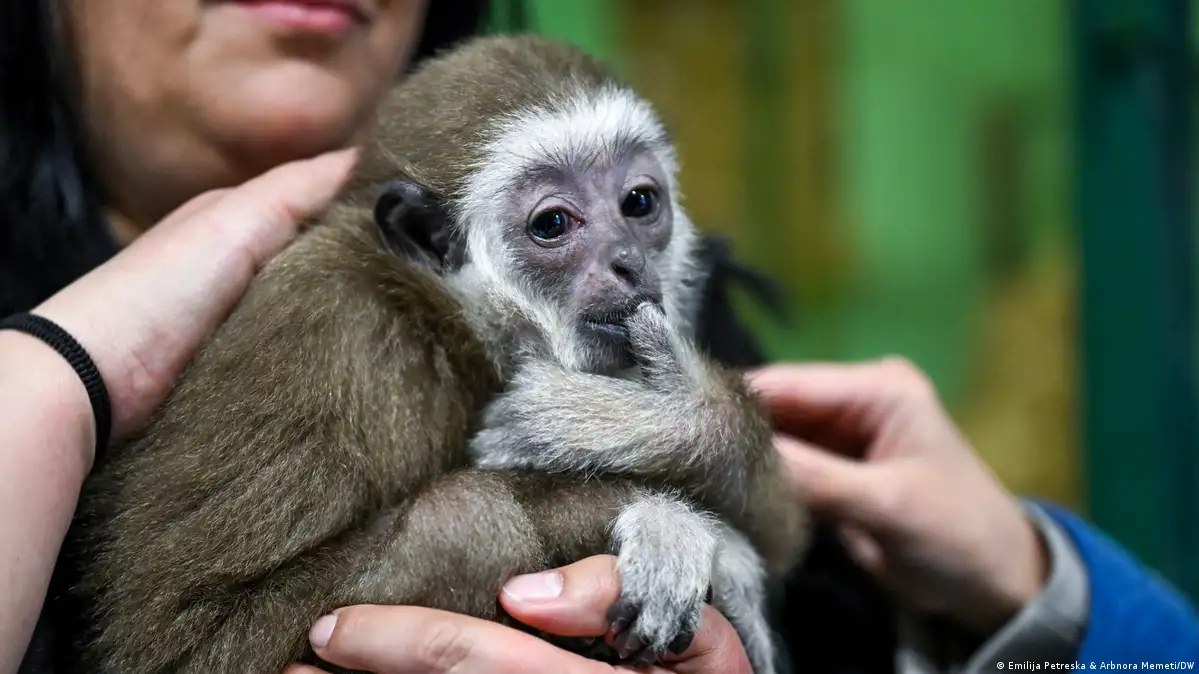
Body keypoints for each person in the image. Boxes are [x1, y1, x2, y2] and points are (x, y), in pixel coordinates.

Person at [1, 1, 1195, 673]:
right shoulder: (347, 320)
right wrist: (54, 379)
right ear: (429, 238)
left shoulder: (650, 305)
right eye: (551, 224)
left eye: (639, 205)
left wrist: (1038, 590)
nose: (618, 261)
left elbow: (795, 580)